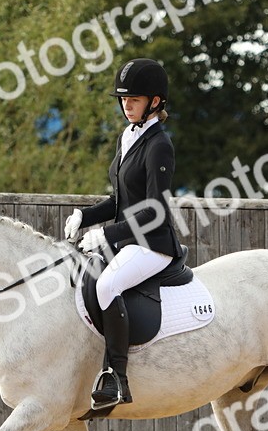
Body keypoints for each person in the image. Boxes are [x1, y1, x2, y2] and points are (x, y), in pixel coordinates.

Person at [64, 57, 182, 410]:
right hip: (128, 240)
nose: (126, 105)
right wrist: (84, 216)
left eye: (134, 99)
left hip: (153, 243)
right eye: (124, 99)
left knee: (106, 285)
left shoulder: (159, 144)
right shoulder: (129, 137)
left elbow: (154, 209)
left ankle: (116, 377)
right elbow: (120, 199)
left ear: (154, 102)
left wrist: (106, 235)